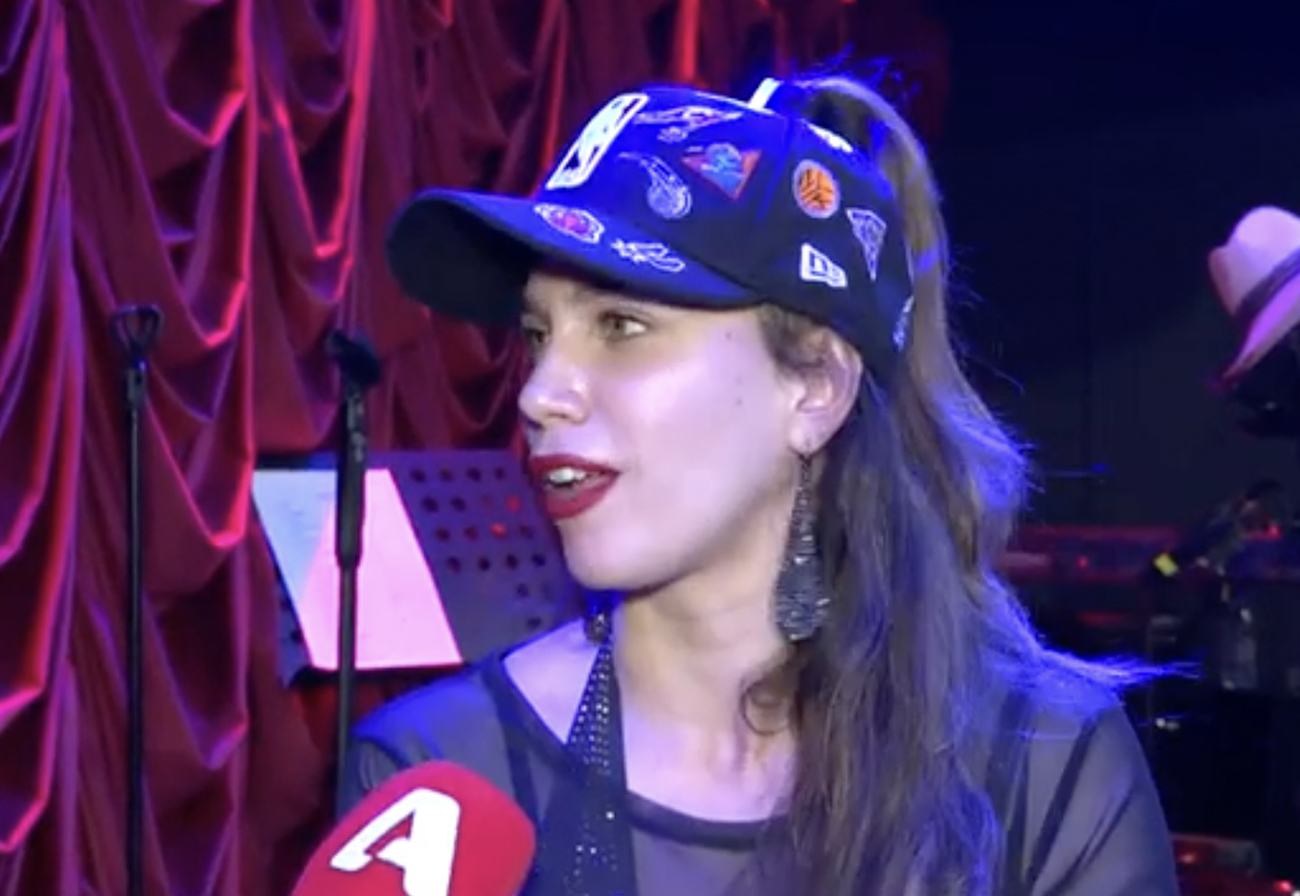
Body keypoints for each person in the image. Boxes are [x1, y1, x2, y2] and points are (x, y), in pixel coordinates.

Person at [340, 73, 1179, 896]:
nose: (539, 394)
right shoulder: (434, 784)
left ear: (815, 388)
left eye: (621, 325)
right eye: (537, 335)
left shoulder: (1045, 770)